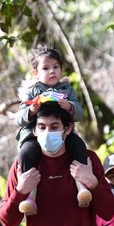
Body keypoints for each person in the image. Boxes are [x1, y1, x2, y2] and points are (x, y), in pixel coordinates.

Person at [14, 46, 91, 215]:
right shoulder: (32, 90)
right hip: (35, 137)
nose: (52, 72)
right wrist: (31, 110)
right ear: (35, 72)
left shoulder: (67, 90)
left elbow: (79, 113)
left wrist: (70, 106)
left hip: (63, 134)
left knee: (78, 147)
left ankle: (82, 187)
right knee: (26, 153)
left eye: (56, 67)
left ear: (62, 69)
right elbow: (18, 118)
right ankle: (30, 196)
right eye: (46, 68)